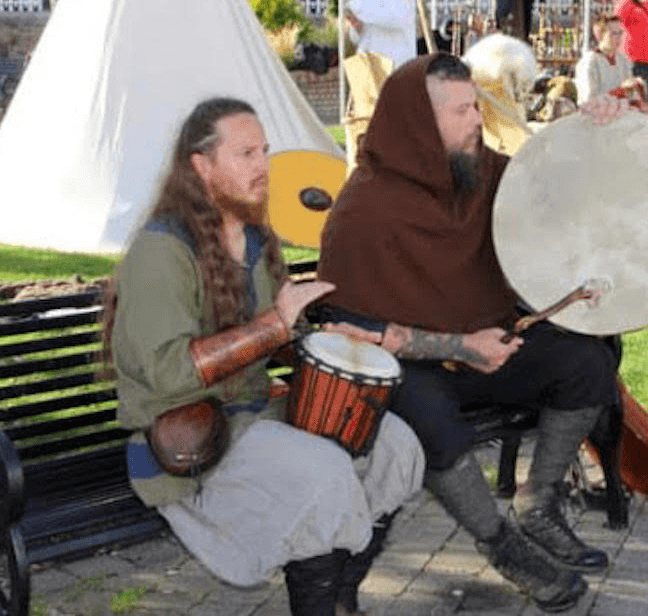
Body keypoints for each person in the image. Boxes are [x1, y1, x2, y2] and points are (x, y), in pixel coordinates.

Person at [316, 54, 624, 613]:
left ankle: (540, 504)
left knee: (587, 363)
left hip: (488, 348)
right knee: (429, 418)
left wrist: (593, 129)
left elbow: (557, 181)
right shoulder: (363, 209)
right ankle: (504, 546)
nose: (475, 121)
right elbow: (349, 330)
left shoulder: (480, 171)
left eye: (473, 107)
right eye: (458, 111)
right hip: (404, 368)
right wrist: (461, 348)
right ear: (416, 123)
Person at [108, 97, 425, 616]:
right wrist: (272, 326)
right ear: (200, 165)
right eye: (246, 153)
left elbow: (279, 332)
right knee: (322, 473)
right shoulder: (162, 250)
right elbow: (167, 373)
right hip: (186, 442)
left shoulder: (254, 237)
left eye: (265, 151)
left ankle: (339, 598)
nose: (263, 166)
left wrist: (331, 341)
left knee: (394, 443)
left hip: (255, 415)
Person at [574, 14, 641, 105]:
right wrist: (619, 92)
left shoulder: (623, 60)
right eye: (613, 33)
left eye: (620, 33)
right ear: (600, 35)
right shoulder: (589, 62)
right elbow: (589, 100)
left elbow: (631, 96)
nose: (618, 37)